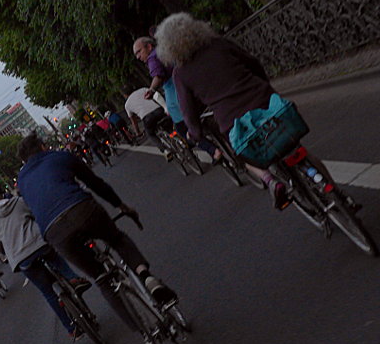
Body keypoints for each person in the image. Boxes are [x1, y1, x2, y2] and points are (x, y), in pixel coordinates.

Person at [16, 133, 178, 328]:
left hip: (55, 232)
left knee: (101, 279)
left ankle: (144, 332)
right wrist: (121, 206)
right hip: (82, 210)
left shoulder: (22, 180)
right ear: (43, 146)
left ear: (24, 160)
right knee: (117, 240)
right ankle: (146, 277)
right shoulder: (60, 156)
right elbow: (96, 184)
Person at [154, 12, 289, 208]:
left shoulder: (180, 74)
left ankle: (269, 179)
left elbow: (188, 111)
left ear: (168, 49)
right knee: (297, 147)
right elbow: (253, 63)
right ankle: (338, 194)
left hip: (233, 119)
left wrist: (195, 133)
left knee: (240, 151)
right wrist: (267, 88)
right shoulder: (219, 43)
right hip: (264, 99)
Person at [0, 177, 91, 340]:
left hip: (22, 259)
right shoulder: (18, 202)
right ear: (0, 189)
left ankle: (72, 328)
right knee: (55, 258)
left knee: (48, 293)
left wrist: (6, 253)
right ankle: (72, 278)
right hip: (40, 245)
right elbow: (38, 215)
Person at [133, 35, 221, 162]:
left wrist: (151, 90)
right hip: (193, 81)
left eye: (139, 52)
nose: (138, 57)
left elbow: (158, 75)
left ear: (149, 46)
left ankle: (213, 150)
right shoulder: (166, 50)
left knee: (182, 128)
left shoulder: (152, 58)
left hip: (177, 93)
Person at [122, 83, 171, 160]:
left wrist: (138, 132)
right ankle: (176, 137)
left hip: (148, 118)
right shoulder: (143, 89)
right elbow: (156, 96)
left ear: (124, 95)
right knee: (168, 124)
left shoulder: (127, 105)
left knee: (151, 134)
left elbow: (134, 121)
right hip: (159, 111)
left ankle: (165, 150)